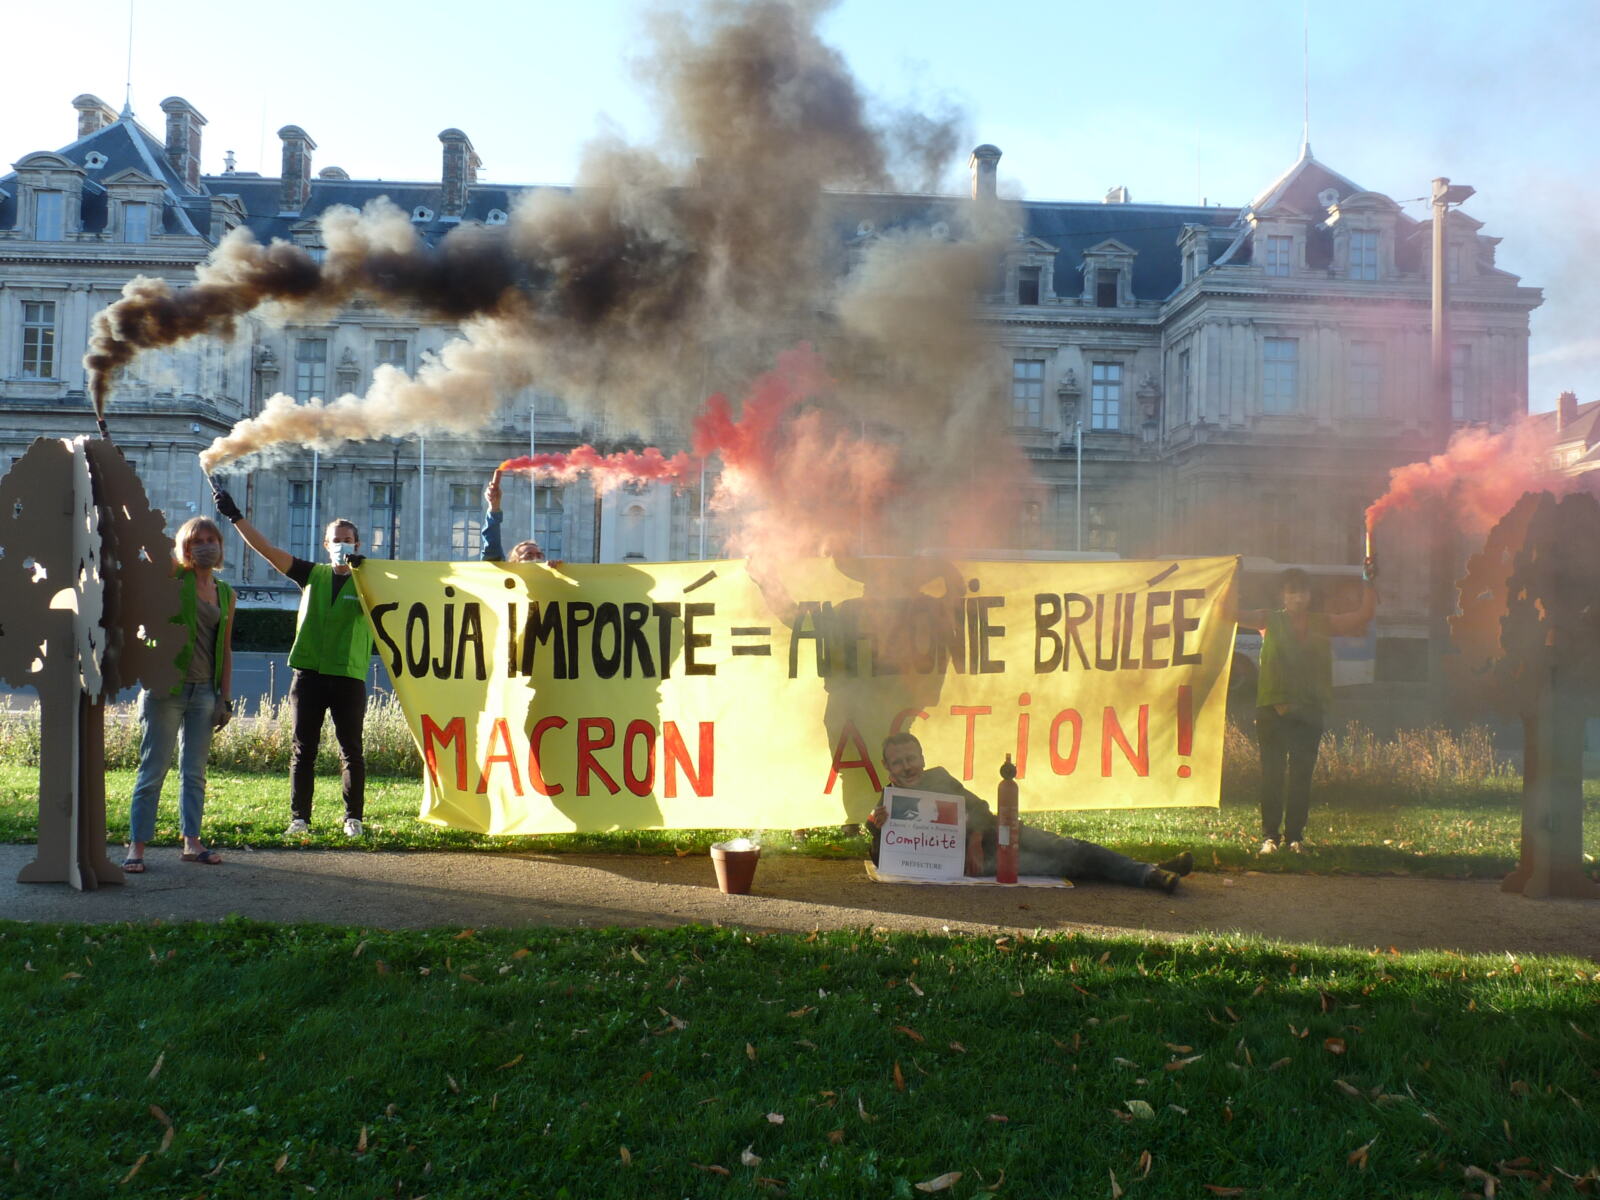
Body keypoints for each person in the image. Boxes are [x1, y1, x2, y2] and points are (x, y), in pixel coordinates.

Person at [213, 488, 373, 838]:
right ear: (326, 545)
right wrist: (235, 516)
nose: (342, 546)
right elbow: (268, 552)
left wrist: (368, 577)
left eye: (348, 541)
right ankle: (300, 818)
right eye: (336, 540)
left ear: (358, 546)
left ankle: (353, 818)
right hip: (309, 674)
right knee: (303, 750)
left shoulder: (370, 581)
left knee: (352, 751)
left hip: (348, 675)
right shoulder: (311, 574)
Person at [867, 731, 1193, 892]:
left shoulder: (939, 777)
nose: (907, 767)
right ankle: (1150, 874)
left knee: (1070, 847)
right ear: (887, 766)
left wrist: (976, 840)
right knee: (1064, 864)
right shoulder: (889, 801)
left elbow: (979, 808)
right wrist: (876, 829)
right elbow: (888, 861)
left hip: (997, 836)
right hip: (983, 865)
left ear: (921, 757)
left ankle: (1148, 872)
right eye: (898, 761)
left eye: (911, 758)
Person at [1237, 566, 1377, 855]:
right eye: (1292, 592)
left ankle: (1295, 837)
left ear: (1310, 596)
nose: (1298, 597)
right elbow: (1229, 614)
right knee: (1272, 776)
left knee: (1301, 777)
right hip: (1272, 711)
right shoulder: (1267, 619)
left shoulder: (1322, 623)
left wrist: (1369, 582)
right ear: (1283, 596)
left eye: (1302, 591)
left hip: (1309, 711)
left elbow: (1363, 615)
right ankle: (1270, 838)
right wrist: (1229, 578)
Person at [123, 517, 235, 872]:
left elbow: (226, 649)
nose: (205, 546)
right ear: (184, 548)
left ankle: (192, 842)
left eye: (210, 539)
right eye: (196, 541)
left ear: (219, 544)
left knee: (194, 772)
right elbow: (153, 551)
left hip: (204, 692)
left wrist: (224, 698)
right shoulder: (174, 579)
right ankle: (136, 847)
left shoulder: (226, 593)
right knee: (153, 770)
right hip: (165, 689)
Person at [481, 470, 547, 563]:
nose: (536, 558)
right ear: (515, 562)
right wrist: (494, 506)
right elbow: (492, 547)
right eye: (529, 555)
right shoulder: (505, 574)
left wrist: (560, 570)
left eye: (539, 555)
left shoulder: (551, 575)